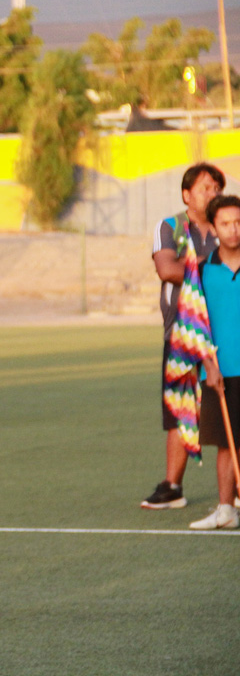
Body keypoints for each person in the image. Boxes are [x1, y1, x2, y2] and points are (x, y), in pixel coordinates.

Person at [143, 162, 224, 509]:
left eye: (217, 188)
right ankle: (172, 486)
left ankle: (231, 488)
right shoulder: (171, 226)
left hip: (225, 333)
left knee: (229, 408)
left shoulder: (230, 227)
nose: (213, 194)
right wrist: (215, 270)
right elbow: (167, 268)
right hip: (182, 334)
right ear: (186, 194)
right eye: (207, 187)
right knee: (180, 408)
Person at [194, 194, 240, 529]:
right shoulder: (201, 270)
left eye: (239, 222)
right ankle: (226, 510)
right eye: (225, 223)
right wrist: (208, 365)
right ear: (213, 227)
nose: (234, 230)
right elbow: (195, 325)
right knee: (225, 442)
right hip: (222, 370)